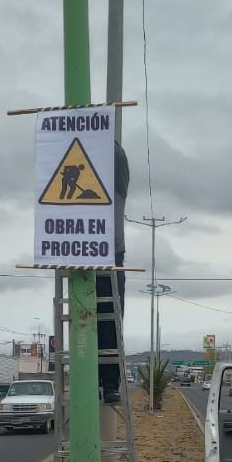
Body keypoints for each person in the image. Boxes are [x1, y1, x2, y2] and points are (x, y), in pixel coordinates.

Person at [97, 140, 129, 403]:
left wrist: (95, 124)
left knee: (111, 323)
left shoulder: (117, 184)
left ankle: (109, 383)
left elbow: (116, 153)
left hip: (111, 255)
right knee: (83, 323)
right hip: (79, 258)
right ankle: (91, 378)